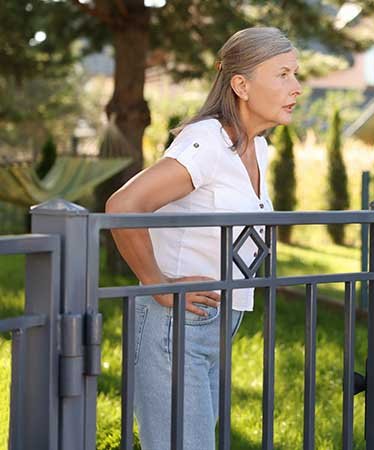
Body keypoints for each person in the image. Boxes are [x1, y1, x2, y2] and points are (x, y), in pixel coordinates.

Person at [105, 27, 301, 450]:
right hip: (174, 326)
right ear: (241, 85)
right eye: (283, 74)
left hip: (216, 326)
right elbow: (123, 206)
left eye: (296, 74)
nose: (296, 87)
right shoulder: (206, 140)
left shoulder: (258, 147)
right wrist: (156, 282)